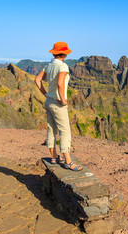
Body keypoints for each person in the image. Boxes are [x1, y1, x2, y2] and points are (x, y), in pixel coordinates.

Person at [35, 41, 82, 171]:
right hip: (57, 103)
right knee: (65, 131)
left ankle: (54, 157)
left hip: (48, 101)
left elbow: (37, 80)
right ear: (64, 54)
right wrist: (63, 100)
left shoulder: (48, 66)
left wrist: (45, 94)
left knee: (51, 129)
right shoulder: (63, 67)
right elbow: (61, 84)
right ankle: (68, 161)